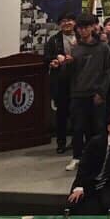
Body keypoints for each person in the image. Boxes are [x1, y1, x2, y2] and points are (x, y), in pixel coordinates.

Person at [69, 14, 110, 171]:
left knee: (97, 127)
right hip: (78, 93)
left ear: (92, 28)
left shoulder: (103, 47)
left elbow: (108, 71)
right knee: (78, 127)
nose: (83, 31)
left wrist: (101, 92)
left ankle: (97, 157)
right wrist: (67, 64)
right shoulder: (75, 48)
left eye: (86, 27)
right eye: (80, 28)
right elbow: (72, 74)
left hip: (96, 93)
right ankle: (77, 157)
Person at [68, 111, 110, 214]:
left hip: (107, 184)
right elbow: (84, 166)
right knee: (75, 203)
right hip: (88, 181)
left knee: (109, 206)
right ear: (108, 127)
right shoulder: (96, 142)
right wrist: (79, 186)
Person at [45, 13, 77, 155]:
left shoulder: (82, 37)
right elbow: (46, 58)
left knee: (77, 114)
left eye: (69, 20)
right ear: (59, 24)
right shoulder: (54, 40)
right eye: (63, 21)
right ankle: (61, 143)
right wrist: (53, 60)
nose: (67, 23)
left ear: (74, 22)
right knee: (61, 114)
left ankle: (77, 142)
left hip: (78, 81)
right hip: (61, 82)